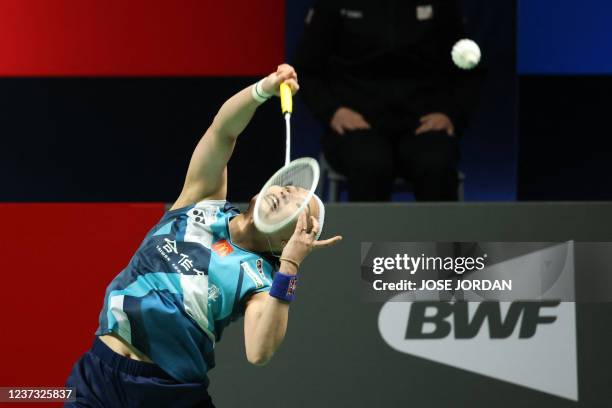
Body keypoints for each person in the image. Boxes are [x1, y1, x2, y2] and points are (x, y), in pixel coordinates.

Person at [65, 64, 342, 407]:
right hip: (98, 371)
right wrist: (263, 89)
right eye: (289, 188)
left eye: (297, 204)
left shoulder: (258, 280)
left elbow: (259, 352)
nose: (286, 193)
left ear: (289, 239)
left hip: (167, 393)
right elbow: (222, 132)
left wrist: (290, 265)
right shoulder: (203, 198)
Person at [294, 0, 482, 201]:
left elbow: (469, 69)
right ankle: (367, 234)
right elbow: (306, 69)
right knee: (369, 164)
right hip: (358, 125)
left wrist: (450, 114)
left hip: (424, 124)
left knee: (436, 164)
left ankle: (441, 234)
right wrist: (331, 111)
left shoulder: (441, 5)